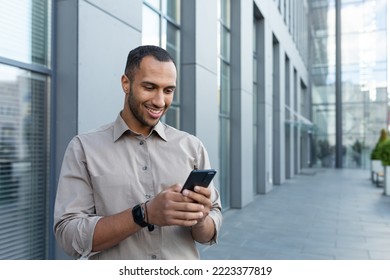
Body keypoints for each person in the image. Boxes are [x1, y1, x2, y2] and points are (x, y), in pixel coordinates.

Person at [53, 45, 222, 260]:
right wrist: (144, 214)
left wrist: (200, 218)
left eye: (168, 90)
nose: (160, 101)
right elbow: (69, 236)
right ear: (126, 83)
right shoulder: (84, 148)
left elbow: (209, 232)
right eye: (150, 87)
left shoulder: (192, 146)